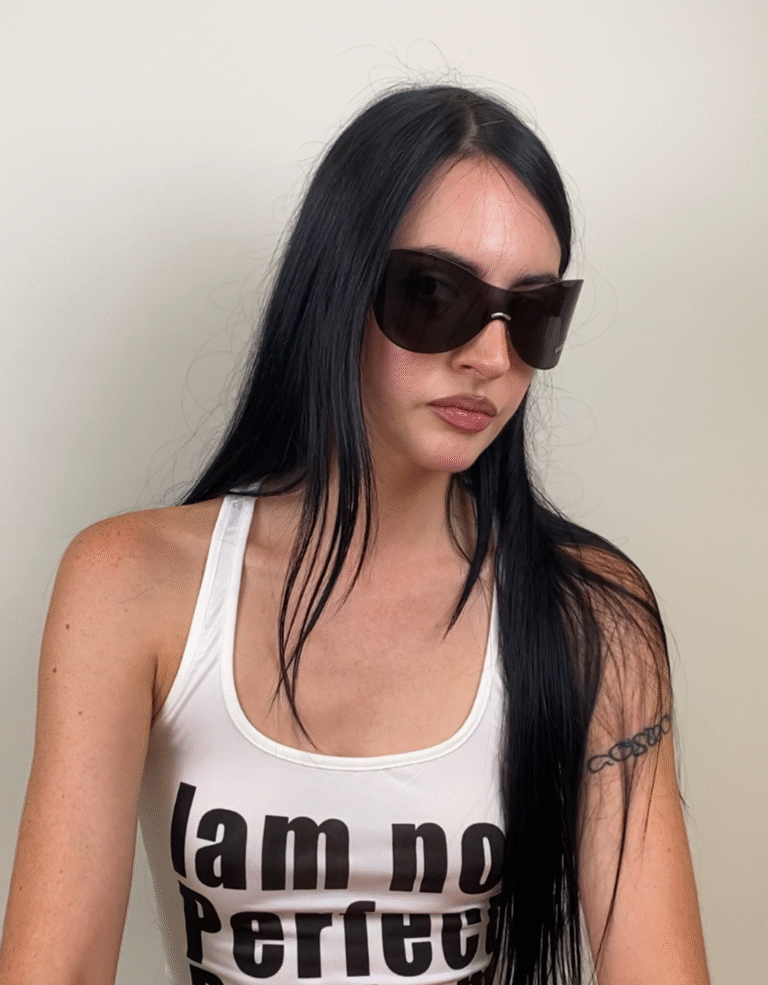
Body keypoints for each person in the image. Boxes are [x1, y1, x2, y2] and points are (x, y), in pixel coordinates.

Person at [0, 84, 711, 985]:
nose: (491, 357)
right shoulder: (129, 584)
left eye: (532, 313)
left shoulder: (592, 616)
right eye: (435, 294)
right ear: (336, 285)